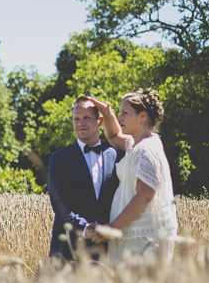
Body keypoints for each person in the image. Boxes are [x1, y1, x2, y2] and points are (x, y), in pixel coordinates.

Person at [84, 88, 178, 263]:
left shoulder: (145, 151)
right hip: (131, 235)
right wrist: (107, 113)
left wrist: (112, 227)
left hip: (143, 238)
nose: (120, 118)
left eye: (125, 113)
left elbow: (145, 195)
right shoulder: (135, 144)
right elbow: (112, 135)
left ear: (142, 116)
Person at [46, 96, 122, 260]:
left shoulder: (115, 155)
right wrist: (85, 228)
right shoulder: (59, 158)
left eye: (86, 118)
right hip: (68, 247)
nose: (80, 123)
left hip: (108, 248)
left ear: (99, 120)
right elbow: (59, 203)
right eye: (76, 119)